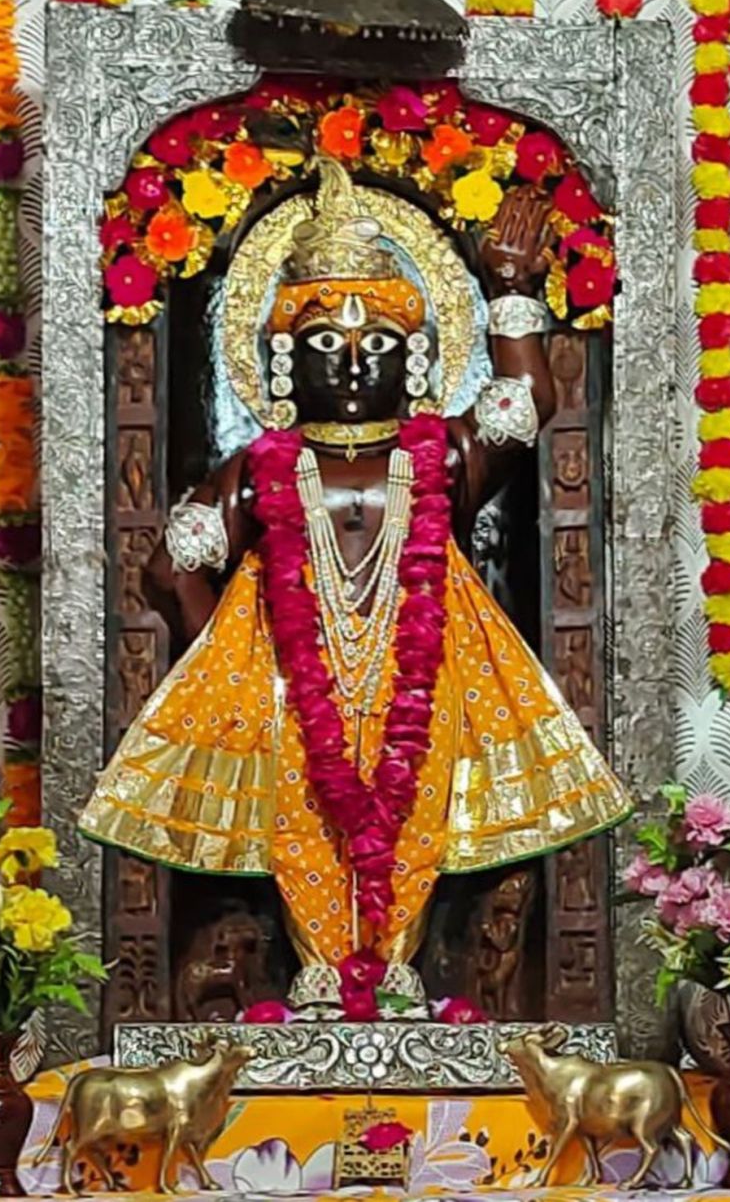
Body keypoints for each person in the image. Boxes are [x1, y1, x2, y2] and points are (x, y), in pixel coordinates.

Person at [79, 160, 630, 1004]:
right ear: (283, 364)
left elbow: (523, 403)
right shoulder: (262, 468)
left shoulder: (440, 457)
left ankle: (396, 971)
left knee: (415, 813)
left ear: (412, 362)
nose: (348, 366)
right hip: (296, 694)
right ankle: (319, 975)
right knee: (303, 818)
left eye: (374, 347)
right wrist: (232, 665)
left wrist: (511, 290)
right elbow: (170, 566)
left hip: (423, 678)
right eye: (322, 347)